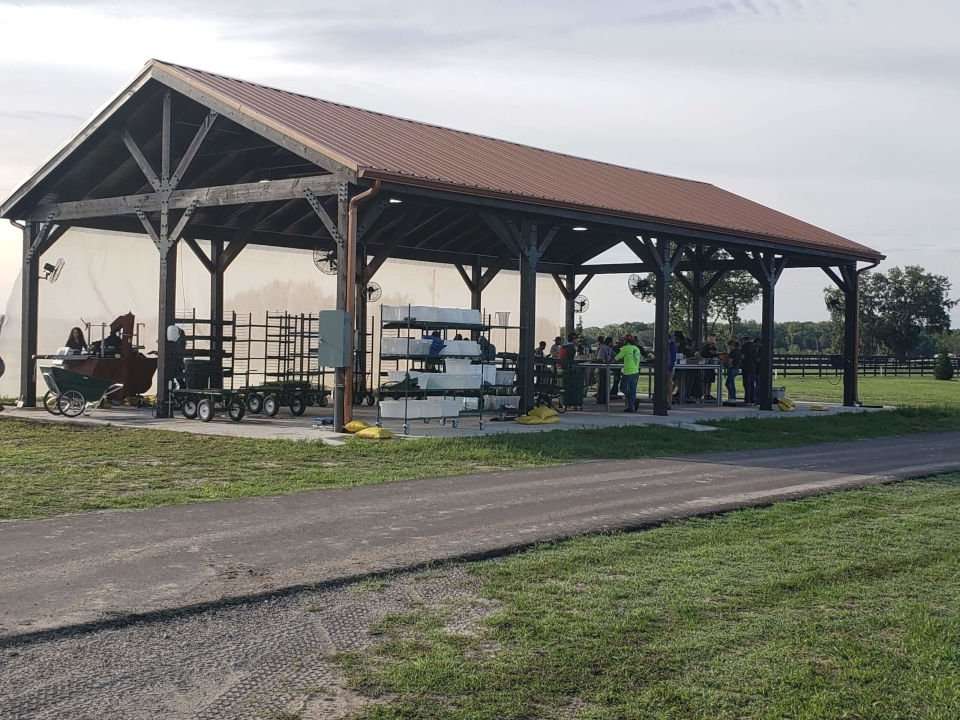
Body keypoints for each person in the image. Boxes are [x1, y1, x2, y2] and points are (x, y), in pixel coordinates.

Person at [615, 334, 642, 412]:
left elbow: (617, 358)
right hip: (636, 371)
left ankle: (633, 401)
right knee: (633, 389)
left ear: (626, 342)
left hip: (628, 371)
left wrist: (608, 361)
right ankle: (632, 406)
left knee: (623, 388)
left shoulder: (625, 348)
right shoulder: (636, 349)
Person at [595, 336, 615, 402]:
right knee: (602, 384)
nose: (613, 343)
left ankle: (605, 398)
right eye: (612, 342)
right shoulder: (603, 348)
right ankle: (600, 399)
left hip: (607, 368)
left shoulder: (610, 348)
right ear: (609, 342)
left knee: (606, 384)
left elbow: (614, 356)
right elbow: (599, 358)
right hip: (602, 368)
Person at [700, 335, 719, 400]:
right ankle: (705, 394)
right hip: (706, 366)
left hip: (711, 367)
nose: (713, 341)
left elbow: (715, 354)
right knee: (706, 380)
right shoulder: (705, 347)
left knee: (710, 380)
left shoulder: (714, 347)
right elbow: (704, 354)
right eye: (712, 339)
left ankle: (708, 394)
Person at [741, 337, 758, 405]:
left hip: (746, 367)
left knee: (746, 384)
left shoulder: (744, 347)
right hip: (753, 367)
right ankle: (752, 399)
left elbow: (742, 356)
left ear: (745, 340)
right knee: (752, 384)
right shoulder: (754, 346)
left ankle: (747, 399)